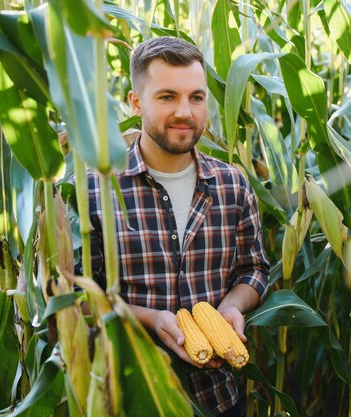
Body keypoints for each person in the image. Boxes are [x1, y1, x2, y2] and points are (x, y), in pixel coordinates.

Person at [83, 36, 270, 416]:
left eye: (196, 97)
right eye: (167, 97)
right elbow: (77, 294)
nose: (185, 112)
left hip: (217, 397)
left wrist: (232, 307)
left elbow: (254, 269)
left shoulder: (233, 184)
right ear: (136, 103)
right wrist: (151, 319)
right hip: (129, 397)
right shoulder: (95, 189)